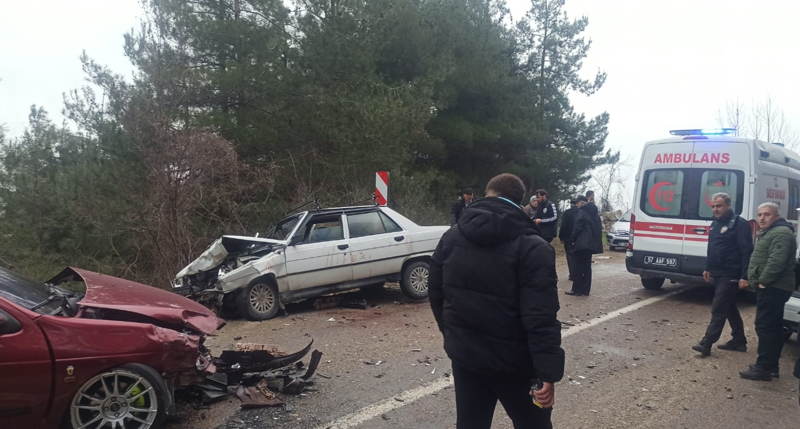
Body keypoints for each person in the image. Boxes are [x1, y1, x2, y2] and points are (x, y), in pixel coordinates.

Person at [429, 173, 564, 429]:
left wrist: (453, 335)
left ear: (486, 193)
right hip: (517, 365)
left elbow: (436, 293)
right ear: (521, 201)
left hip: (467, 358)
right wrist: (547, 373)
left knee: (470, 424)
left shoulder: (452, 236)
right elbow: (541, 317)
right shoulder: (534, 247)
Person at [739, 202, 797, 381]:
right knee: (773, 326)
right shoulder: (772, 231)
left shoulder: (780, 233)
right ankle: (771, 366)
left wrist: (763, 281)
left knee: (765, 326)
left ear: (776, 216)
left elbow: (776, 261)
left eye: (767, 214)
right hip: (774, 286)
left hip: (774, 287)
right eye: (760, 215)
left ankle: (763, 368)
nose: (762, 218)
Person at [692, 193, 753, 356]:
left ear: (728, 205)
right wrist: (707, 267)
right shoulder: (715, 223)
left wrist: (745, 275)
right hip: (718, 272)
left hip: (732, 272)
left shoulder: (740, 224)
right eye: (713, 206)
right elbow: (712, 247)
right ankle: (739, 341)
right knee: (729, 307)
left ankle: (706, 343)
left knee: (719, 307)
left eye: (719, 206)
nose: (715, 209)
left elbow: (747, 251)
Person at [567, 195, 603, 296]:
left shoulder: (581, 212)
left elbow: (578, 227)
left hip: (581, 243)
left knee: (578, 266)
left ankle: (576, 289)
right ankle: (586, 289)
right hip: (590, 244)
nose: (576, 205)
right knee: (587, 267)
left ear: (582, 203)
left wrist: (572, 239)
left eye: (577, 203)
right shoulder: (595, 214)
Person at [559, 198, 578, 281]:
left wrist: (561, 237)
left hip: (568, 237)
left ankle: (572, 274)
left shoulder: (567, 213)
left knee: (570, 256)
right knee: (577, 256)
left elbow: (563, 226)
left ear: (570, 204)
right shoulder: (580, 212)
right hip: (578, 237)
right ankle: (578, 273)